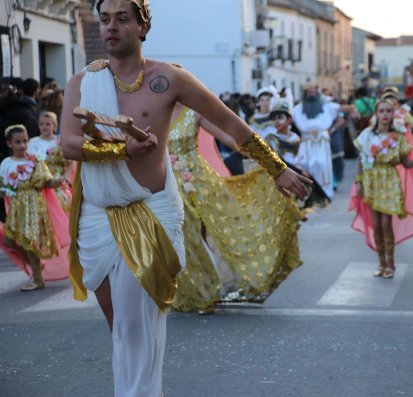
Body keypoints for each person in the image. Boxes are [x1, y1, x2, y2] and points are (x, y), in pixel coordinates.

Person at [59, 1, 311, 396]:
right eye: (104, 19)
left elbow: (232, 124)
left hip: (152, 211)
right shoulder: (81, 83)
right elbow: (68, 144)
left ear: (143, 27)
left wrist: (278, 169)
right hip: (97, 214)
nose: (111, 27)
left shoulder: (168, 78)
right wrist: (122, 150)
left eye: (122, 18)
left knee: (135, 326)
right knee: (120, 325)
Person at [169, 102, 303, 314]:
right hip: (171, 186)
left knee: (217, 231)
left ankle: (211, 290)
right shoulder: (156, 113)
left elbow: (230, 139)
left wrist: (260, 154)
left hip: (200, 182)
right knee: (184, 238)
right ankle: (198, 290)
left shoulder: (194, 112)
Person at [350, 100, 413, 279]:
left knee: (387, 224)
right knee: (377, 225)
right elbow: (359, 160)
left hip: (389, 181)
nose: (385, 114)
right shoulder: (366, 135)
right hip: (371, 181)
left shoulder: (398, 136)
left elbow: (406, 163)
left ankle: (391, 264)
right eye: (382, 111)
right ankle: (381, 263)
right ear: (376, 114)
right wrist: (358, 182)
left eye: (388, 111)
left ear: (392, 114)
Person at [0, 125, 68, 291]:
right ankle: (37, 264)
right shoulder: (6, 163)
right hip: (17, 209)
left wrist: (57, 181)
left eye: (24, 141)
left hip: (34, 206)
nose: (22, 145)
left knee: (29, 241)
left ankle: (37, 279)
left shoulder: (35, 160)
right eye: (17, 142)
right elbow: (3, 186)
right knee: (9, 240)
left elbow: (47, 181)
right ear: (9, 144)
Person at [266, 101, 330, 208]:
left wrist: (303, 170)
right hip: (280, 177)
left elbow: (302, 157)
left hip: (297, 176)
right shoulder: (270, 139)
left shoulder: (295, 138)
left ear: (289, 119)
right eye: (274, 119)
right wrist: (300, 172)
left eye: (280, 117)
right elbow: (277, 160)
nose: (276, 121)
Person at [292, 83, 344, 198]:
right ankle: (307, 190)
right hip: (307, 141)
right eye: (309, 91)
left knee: (321, 164)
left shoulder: (326, 106)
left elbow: (341, 109)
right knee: (305, 164)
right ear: (305, 94)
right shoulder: (298, 108)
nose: (311, 93)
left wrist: (352, 108)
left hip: (321, 141)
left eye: (313, 91)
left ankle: (323, 190)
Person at [28, 111, 73, 211]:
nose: (44, 127)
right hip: (39, 183)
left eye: (48, 124)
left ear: (54, 125)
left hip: (58, 182)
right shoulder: (33, 142)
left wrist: (66, 176)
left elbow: (71, 162)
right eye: (41, 124)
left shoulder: (60, 141)